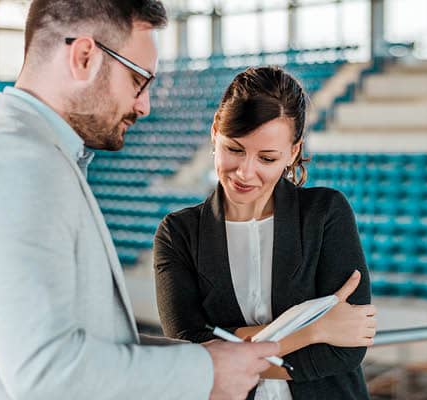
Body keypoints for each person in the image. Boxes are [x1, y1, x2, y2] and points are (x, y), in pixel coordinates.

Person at [0, 1, 277, 399]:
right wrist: (206, 372)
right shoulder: (17, 165)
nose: (144, 105)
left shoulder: (33, 156)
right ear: (84, 57)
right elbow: (48, 375)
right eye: (138, 80)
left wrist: (207, 359)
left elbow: (84, 345)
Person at [153, 66, 376, 400]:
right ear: (216, 131)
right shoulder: (178, 234)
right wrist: (314, 330)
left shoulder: (325, 213)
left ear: (293, 152)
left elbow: (346, 350)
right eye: (235, 149)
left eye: (267, 158)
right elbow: (189, 350)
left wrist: (226, 351)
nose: (245, 172)